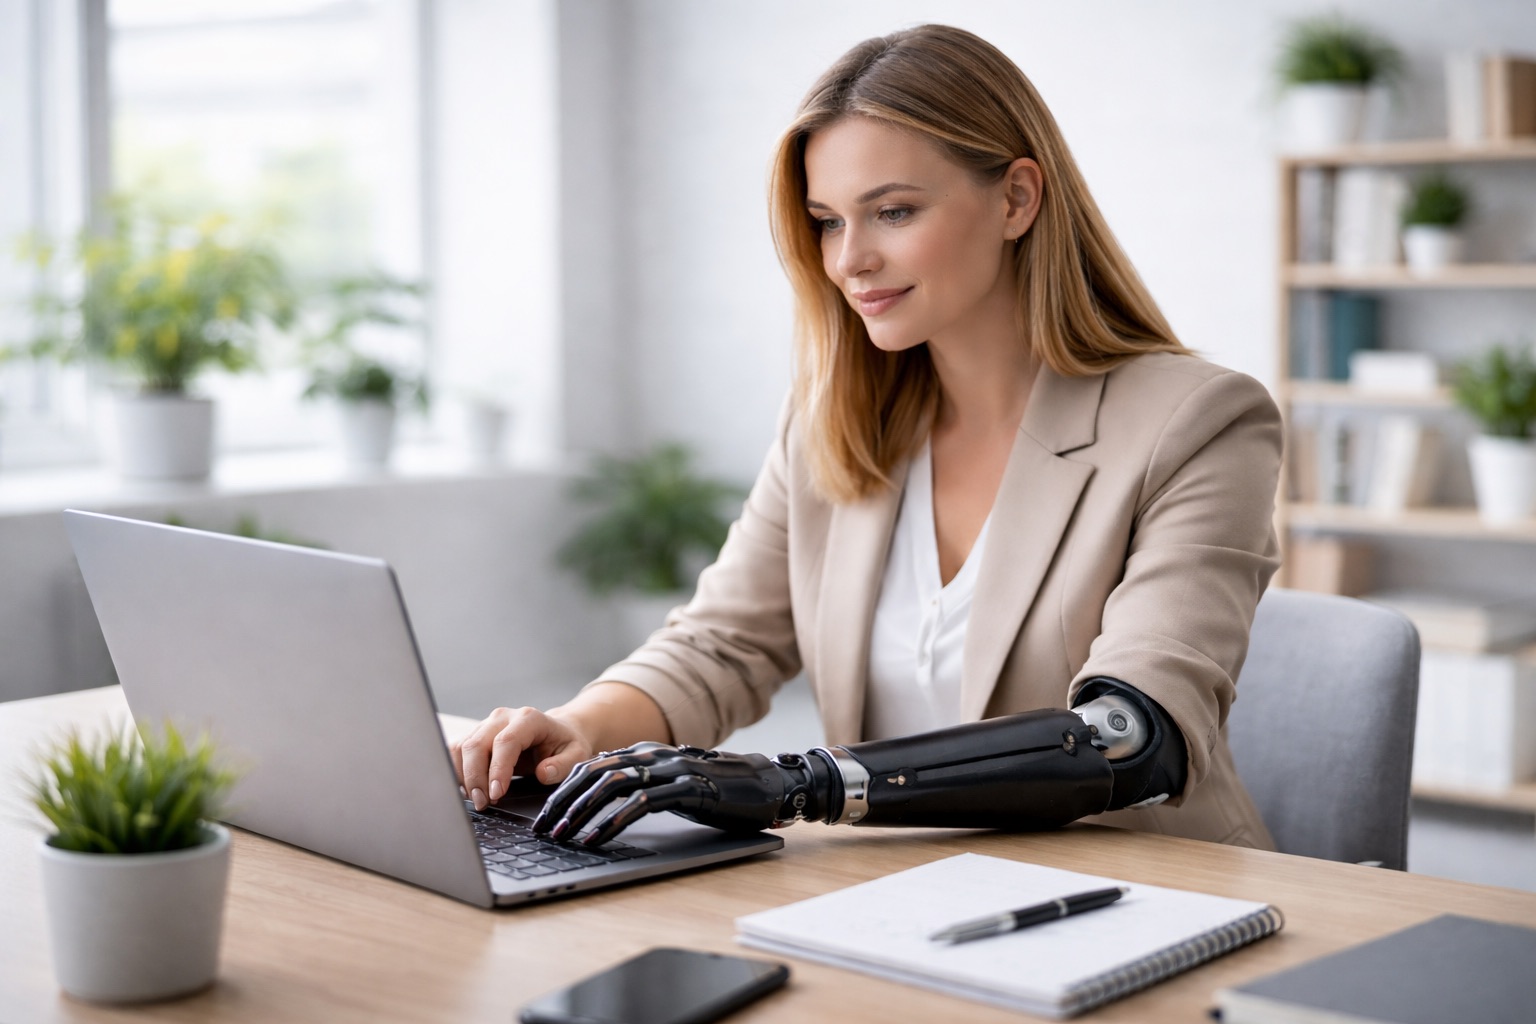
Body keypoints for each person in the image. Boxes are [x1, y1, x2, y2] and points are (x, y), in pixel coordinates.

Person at [452, 24, 1281, 851]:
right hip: (896, 892)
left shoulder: (1199, 422)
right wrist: (581, 725)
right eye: (826, 221)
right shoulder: (830, 421)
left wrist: (803, 784)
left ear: (1017, 200)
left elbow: (1130, 738)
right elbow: (722, 643)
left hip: (1147, 888)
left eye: (893, 211)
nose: (850, 260)